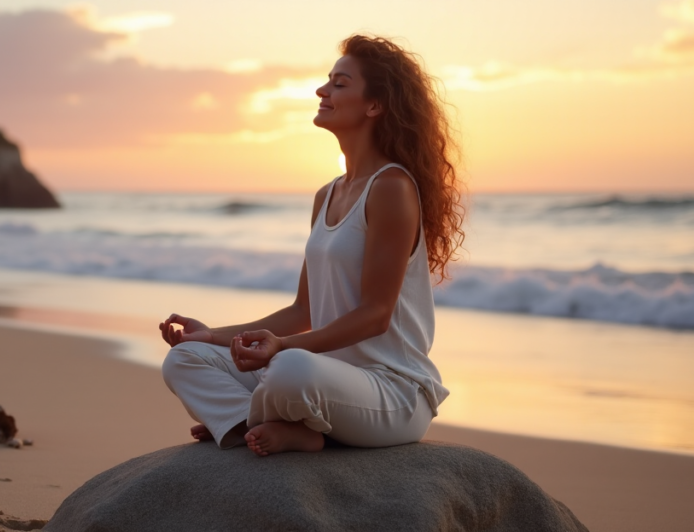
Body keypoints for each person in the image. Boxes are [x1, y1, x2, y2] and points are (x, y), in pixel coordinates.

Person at [159, 34, 465, 457]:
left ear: (374, 105)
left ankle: (252, 421)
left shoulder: (391, 188)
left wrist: (281, 348)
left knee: (288, 368)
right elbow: (302, 311)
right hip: (322, 379)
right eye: (328, 81)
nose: (322, 91)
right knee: (186, 358)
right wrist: (213, 335)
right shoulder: (328, 194)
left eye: (340, 84)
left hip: (390, 393)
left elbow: (376, 316)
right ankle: (256, 422)